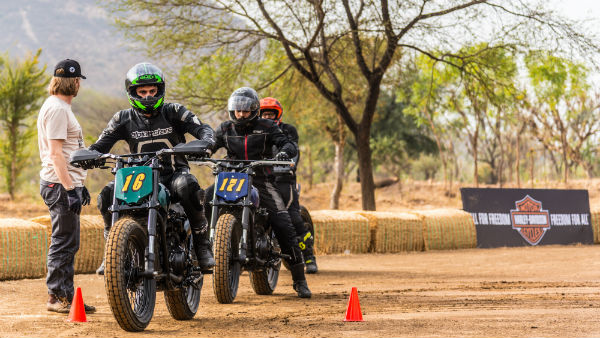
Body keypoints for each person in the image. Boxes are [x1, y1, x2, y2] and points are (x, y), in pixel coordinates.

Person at [89, 62, 216, 274]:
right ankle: (111, 251)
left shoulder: (174, 111)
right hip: (138, 178)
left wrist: (207, 141)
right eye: (142, 92)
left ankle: (203, 246)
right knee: (106, 194)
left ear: (160, 90)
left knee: (188, 184)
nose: (148, 96)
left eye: (152, 91)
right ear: (132, 93)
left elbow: (203, 128)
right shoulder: (122, 118)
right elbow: (99, 145)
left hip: (172, 176)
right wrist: (89, 155)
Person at [207, 87, 312, 298]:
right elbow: (211, 144)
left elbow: (288, 144)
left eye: (245, 111)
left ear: (254, 110)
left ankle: (299, 278)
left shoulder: (267, 126)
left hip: (261, 179)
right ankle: (202, 249)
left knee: (283, 222)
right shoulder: (226, 129)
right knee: (205, 199)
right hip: (231, 178)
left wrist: (283, 153)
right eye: (237, 111)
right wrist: (204, 151)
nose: (241, 114)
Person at [37, 59, 96, 314]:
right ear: (74, 81)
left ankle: (67, 295)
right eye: (78, 79)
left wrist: (79, 183)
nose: (79, 83)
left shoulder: (59, 107)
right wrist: (70, 188)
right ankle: (57, 297)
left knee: (69, 242)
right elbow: (56, 154)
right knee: (63, 242)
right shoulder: (58, 109)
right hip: (59, 185)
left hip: (64, 183)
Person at [259, 97, 318, 274]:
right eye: (264, 114)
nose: (268, 117)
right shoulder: (256, 130)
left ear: (278, 115)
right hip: (261, 177)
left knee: (292, 217)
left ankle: (308, 256)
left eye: (271, 114)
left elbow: (294, 151)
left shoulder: (287, 130)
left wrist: (287, 161)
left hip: (283, 178)